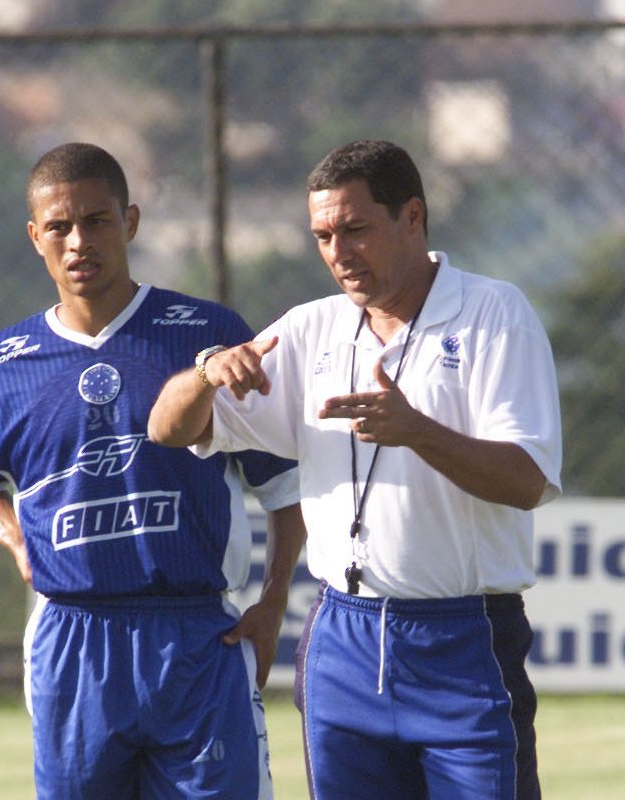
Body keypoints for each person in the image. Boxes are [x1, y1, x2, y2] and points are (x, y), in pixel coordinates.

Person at [148, 139, 563, 799]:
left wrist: (418, 431)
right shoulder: (309, 329)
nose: (338, 251)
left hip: (464, 639)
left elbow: (527, 480)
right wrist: (204, 374)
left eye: (355, 229)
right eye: (323, 236)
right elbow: (167, 429)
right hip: (342, 639)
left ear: (412, 217)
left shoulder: (493, 314)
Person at [0, 142, 305, 800]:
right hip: (72, 637)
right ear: (35, 237)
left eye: (96, 221)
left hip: (196, 634)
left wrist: (272, 603)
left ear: (130, 221)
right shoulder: (2, 363)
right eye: (59, 227)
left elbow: (285, 484)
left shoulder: (206, 333)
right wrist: (17, 541)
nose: (79, 242)